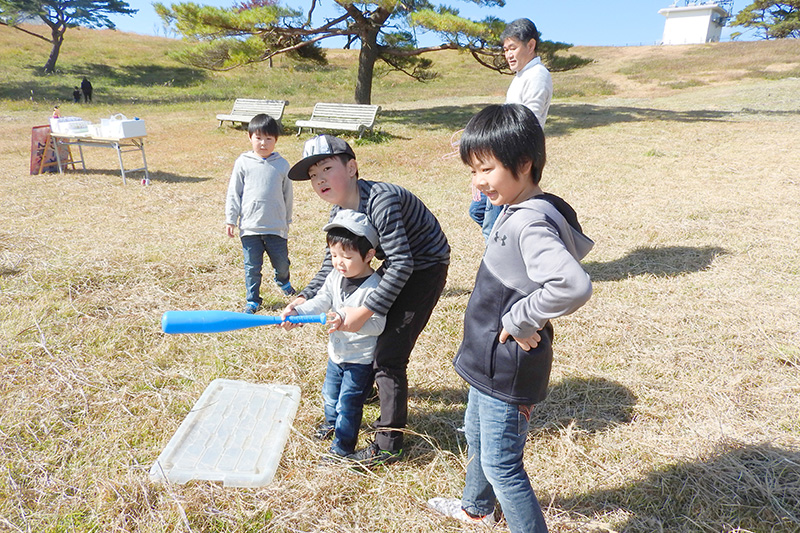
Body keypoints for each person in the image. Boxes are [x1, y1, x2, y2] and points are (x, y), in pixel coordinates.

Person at [428, 103, 593, 533]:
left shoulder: (530, 223)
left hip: (508, 366)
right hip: (487, 358)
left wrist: (521, 318)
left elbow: (573, 285)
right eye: (472, 171)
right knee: (477, 437)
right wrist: (484, 205)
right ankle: (475, 509)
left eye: (486, 169)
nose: (478, 181)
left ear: (524, 164)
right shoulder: (518, 207)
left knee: (502, 464)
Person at [283, 134, 450, 466]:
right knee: (372, 338)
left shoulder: (381, 201)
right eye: (313, 175)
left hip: (425, 266)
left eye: (327, 169)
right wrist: (302, 298)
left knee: (389, 354)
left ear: (353, 167)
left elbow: (404, 263)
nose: (319, 180)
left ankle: (388, 444)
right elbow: (330, 265)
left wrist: (366, 309)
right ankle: (365, 391)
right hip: (392, 264)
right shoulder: (339, 210)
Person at [284, 209, 386, 458]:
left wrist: (349, 322)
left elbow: (378, 326)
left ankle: (342, 448)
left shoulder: (376, 288)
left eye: (347, 256)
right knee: (330, 396)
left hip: (359, 360)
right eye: (333, 255)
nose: (339, 262)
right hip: (336, 355)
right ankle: (331, 422)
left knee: (348, 405)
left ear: (369, 255)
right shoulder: (334, 277)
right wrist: (298, 312)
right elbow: (321, 300)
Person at [469, 17, 553, 241]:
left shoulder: (537, 76)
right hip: (500, 155)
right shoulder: (521, 76)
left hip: (512, 160)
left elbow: (527, 124)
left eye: (513, 48)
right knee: (479, 212)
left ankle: (503, 265)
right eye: (505, 49)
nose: (508, 55)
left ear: (531, 45)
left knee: (493, 224)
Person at [225, 113, 295, 314]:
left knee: (281, 262)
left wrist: (287, 220)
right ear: (250, 138)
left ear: (276, 140)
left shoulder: (282, 165)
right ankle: (253, 300)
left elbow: (287, 195)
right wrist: (231, 219)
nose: (263, 143)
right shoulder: (243, 162)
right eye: (258, 138)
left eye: (269, 139)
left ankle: (283, 281)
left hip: (276, 227)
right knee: (252, 267)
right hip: (250, 228)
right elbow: (234, 192)